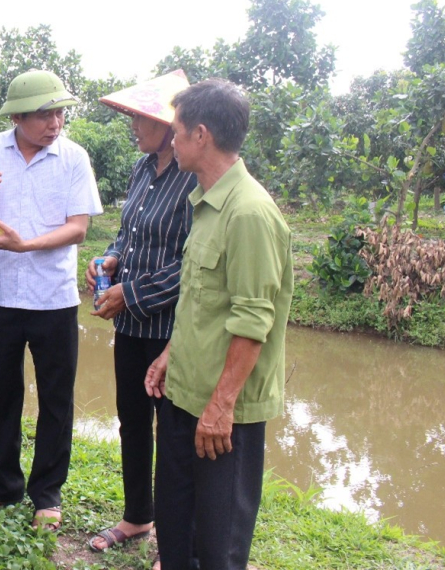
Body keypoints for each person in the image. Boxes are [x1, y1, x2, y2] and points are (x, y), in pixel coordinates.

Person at [145, 79, 294, 570]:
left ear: (201, 135)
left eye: (176, 131)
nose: (171, 140)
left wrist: (221, 406)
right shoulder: (206, 202)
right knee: (175, 531)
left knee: (218, 547)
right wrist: (170, 354)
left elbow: (253, 321)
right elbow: (202, 300)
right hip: (184, 396)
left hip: (223, 416)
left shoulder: (249, 213)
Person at [0, 69, 103, 531]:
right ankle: (5, 486)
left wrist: (25, 246)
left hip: (54, 299)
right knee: (0, 393)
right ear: (17, 117)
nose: (55, 122)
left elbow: (78, 229)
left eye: (60, 113)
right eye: (44, 114)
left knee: (56, 398)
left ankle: (47, 495)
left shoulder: (73, 158)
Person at [84, 70, 195, 552]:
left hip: (169, 329)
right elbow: (128, 234)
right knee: (131, 420)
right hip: (130, 326)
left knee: (173, 433)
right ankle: (138, 517)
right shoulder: (142, 168)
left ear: (170, 124)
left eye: (139, 117)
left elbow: (194, 264)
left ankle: (174, 538)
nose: (132, 125)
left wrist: (131, 292)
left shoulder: (193, 178)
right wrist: (110, 258)